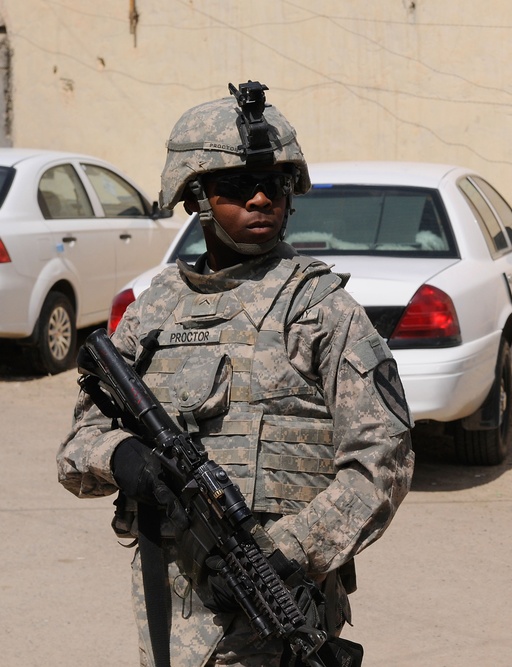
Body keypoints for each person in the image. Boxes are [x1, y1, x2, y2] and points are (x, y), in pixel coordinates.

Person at [57, 81, 414, 666]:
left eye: (272, 185)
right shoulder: (154, 310)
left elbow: (384, 461)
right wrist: (123, 459)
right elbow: (78, 447)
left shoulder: (319, 309)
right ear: (196, 197)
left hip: (277, 612)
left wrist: (289, 553)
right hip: (170, 615)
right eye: (235, 187)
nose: (259, 199)